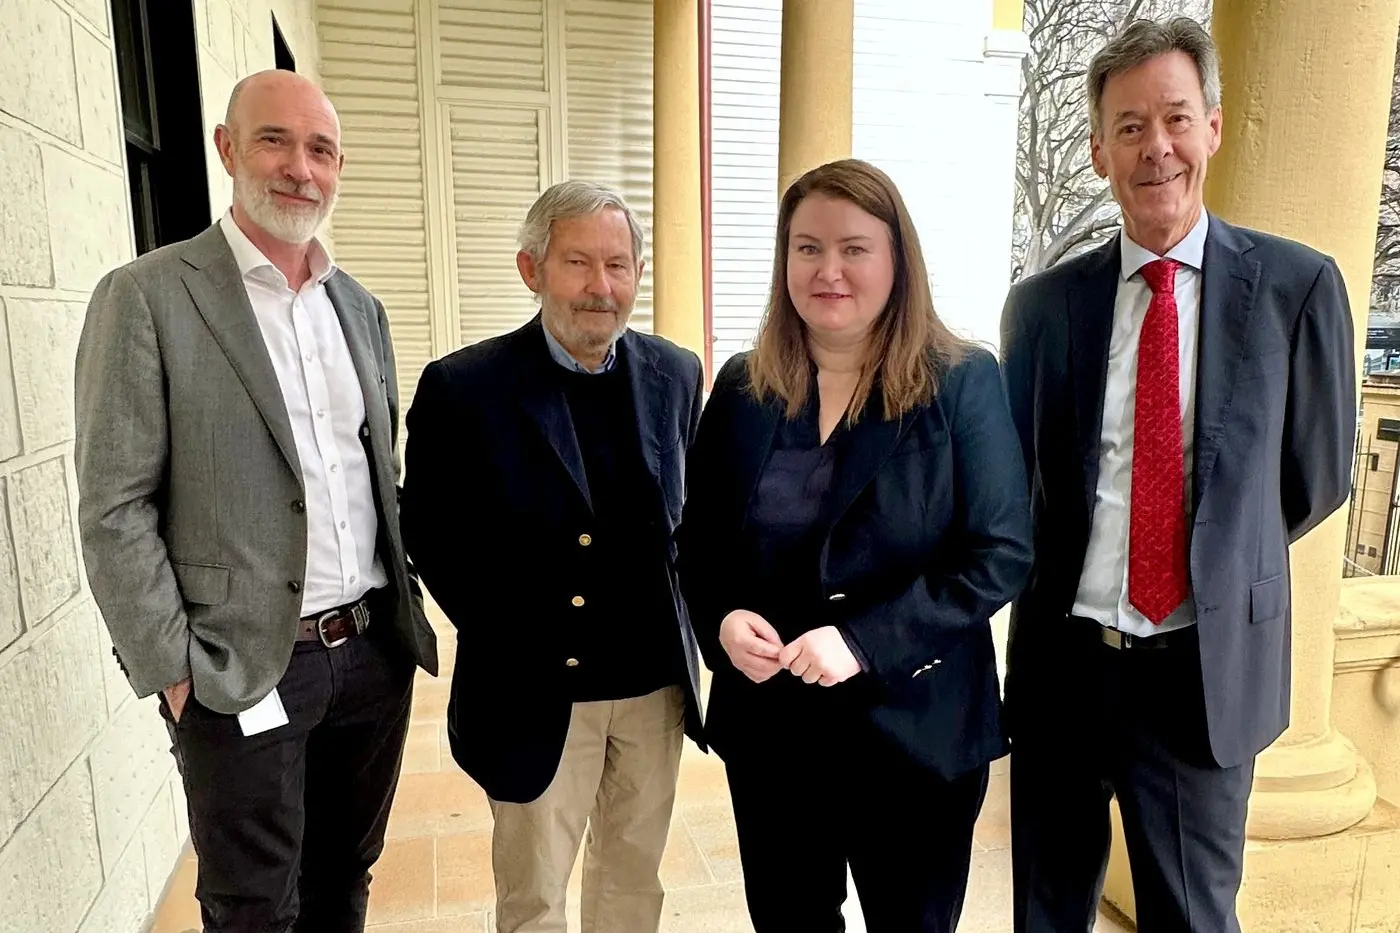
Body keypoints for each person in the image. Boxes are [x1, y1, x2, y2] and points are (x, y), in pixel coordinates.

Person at [999, 17, 1356, 933]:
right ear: (1096, 153)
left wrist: (1207, 552)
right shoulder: (1042, 309)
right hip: (1065, 668)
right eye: (1128, 127)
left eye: (1174, 118)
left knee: (1192, 918)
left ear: (1213, 128)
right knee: (1045, 910)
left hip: (1200, 678)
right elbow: (1025, 482)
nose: (1154, 146)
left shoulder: (1296, 288)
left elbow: (1311, 479)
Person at [73, 70, 438, 932]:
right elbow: (112, 505)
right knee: (251, 904)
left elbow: (371, 476)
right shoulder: (149, 297)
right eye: (275, 140)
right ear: (227, 148)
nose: (299, 169)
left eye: (321, 150)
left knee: (345, 875)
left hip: (369, 657)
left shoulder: (361, 307)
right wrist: (174, 670)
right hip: (238, 667)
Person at [675, 158, 1033, 933]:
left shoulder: (962, 380)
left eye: (853, 248)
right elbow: (697, 544)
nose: (827, 269)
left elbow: (999, 551)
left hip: (916, 730)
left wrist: (864, 642)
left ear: (897, 260)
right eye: (806, 248)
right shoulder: (741, 386)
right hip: (774, 733)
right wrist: (721, 623)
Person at [400, 180, 706, 933]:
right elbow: (429, 531)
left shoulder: (676, 373)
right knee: (535, 893)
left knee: (634, 879)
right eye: (577, 263)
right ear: (531, 269)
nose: (601, 286)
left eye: (618, 264)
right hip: (533, 694)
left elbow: (689, 518)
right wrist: (511, 630)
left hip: (651, 692)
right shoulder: (464, 387)